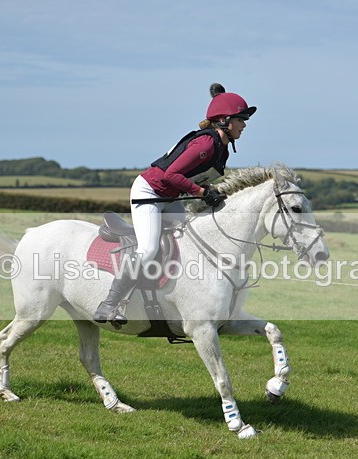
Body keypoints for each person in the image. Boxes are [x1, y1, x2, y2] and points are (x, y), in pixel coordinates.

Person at [93, 83, 257, 324]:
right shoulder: (206, 144)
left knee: (189, 238)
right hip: (150, 193)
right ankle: (109, 304)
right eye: (241, 120)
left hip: (169, 197)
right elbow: (170, 174)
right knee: (148, 249)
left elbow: (191, 177)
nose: (244, 125)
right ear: (224, 120)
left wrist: (208, 190)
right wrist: (202, 192)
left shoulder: (221, 147)